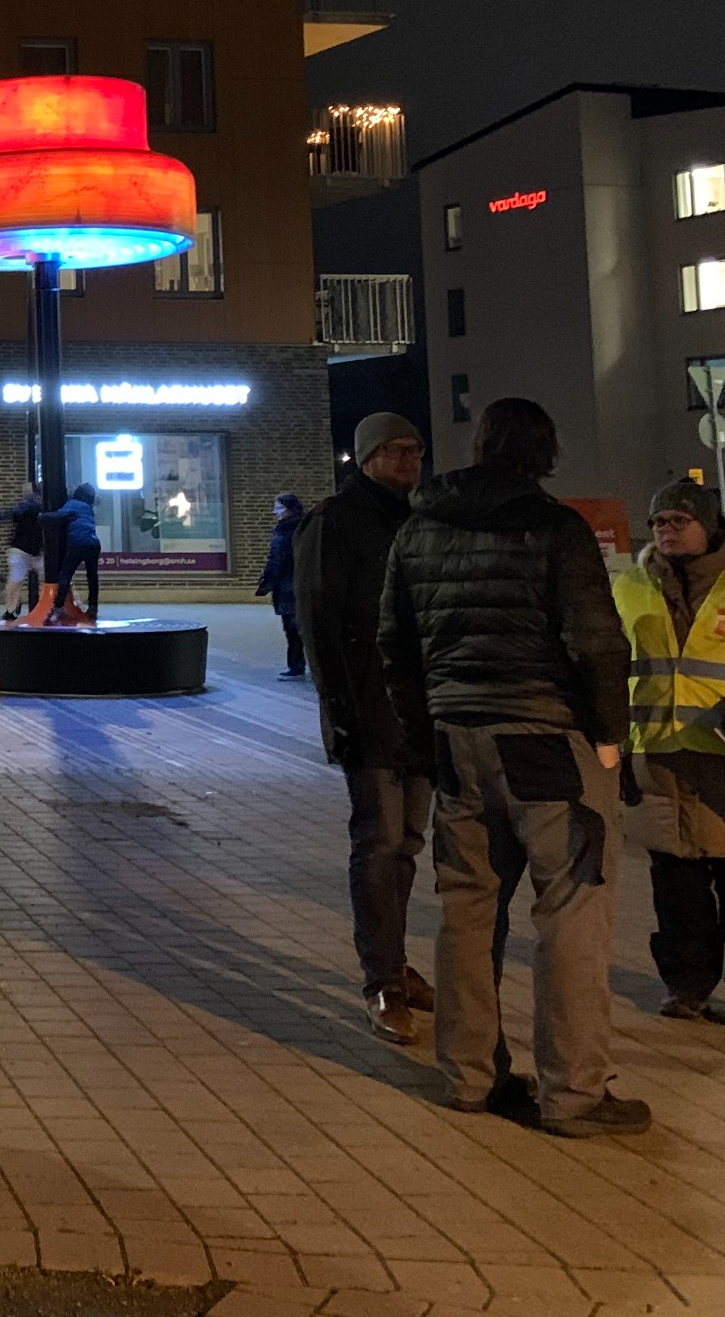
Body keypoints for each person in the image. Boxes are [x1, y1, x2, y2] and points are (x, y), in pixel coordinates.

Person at [379, 396, 647, 1136]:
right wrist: (610, 739)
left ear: (479, 445)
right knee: (571, 911)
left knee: (467, 907)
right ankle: (574, 1094)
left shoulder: (421, 526)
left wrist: (426, 727)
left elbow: (392, 644)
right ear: (545, 452)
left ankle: (467, 1077)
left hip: (458, 737)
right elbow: (597, 643)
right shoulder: (556, 528)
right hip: (546, 740)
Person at [613, 478, 725, 1029]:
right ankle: (686, 986)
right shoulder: (630, 588)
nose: (666, 531)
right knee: (676, 889)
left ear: (709, 526)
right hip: (661, 764)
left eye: (678, 520)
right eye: (658, 523)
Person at [296, 412, 435, 1044]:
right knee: (379, 842)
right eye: (396, 451)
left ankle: (398, 962)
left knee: (408, 841)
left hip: (423, 710)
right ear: (368, 457)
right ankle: (381, 978)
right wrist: (341, 710)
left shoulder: (422, 519)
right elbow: (320, 622)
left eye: (416, 451)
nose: (409, 462)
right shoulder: (334, 521)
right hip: (370, 709)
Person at [259, 491, 306, 676]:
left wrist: (268, 579)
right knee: (296, 627)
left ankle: (296, 666)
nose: (275, 512)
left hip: (289, 586)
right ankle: (298, 664)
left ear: (289, 510)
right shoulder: (299, 528)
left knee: (293, 628)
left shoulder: (286, 532)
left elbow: (277, 559)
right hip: (294, 584)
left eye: (279, 507)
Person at [0, 482, 45, 623]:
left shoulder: (28, 504)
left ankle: (10, 610)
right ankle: (51, 606)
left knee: (15, 580)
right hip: (35, 549)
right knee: (49, 578)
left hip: (20, 547)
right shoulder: (39, 504)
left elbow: (11, 513)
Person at [47, 483, 100, 621]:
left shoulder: (74, 504)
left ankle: (58, 607)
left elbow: (58, 516)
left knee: (65, 574)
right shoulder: (88, 508)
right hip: (94, 543)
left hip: (77, 542)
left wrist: (42, 516)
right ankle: (93, 607)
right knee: (92, 577)